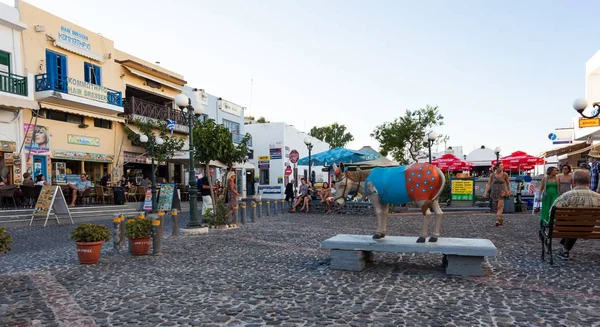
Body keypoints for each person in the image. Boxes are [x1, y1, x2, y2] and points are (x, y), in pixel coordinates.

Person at [552, 170, 600, 260]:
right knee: (575, 224)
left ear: (573, 181)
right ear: (589, 182)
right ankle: (565, 249)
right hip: (590, 229)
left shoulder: (566, 196)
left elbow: (552, 212)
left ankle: (565, 251)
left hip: (568, 229)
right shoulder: (598, 197)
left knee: (571, 224)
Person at [483, 162, 511, 226]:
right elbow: (489, 183)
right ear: (497, 167)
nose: (502, 166)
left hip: (502, 192)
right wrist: (485, 192)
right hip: (494, 192)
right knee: (496, 207)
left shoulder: (505, 174)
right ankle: (500, 219)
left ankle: (498, 220)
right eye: (501, 165)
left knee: (499, 207)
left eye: (503, 165)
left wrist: (509, 190)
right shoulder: (492, 175)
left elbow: (508, 183)